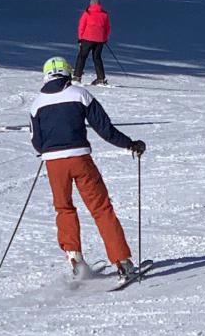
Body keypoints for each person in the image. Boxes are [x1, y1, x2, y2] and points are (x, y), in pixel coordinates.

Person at [30, 57, 145, 282]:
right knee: (101, 208)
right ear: (67, 72)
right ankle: (122, 262)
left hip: (54, 163)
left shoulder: (37, 103)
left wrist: (48, 150)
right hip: (80, 158)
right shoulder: (80, 94)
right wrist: (130, 144)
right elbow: (104, 128)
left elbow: (36, 141)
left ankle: (75, 259)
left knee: (64, 208)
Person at [73, 0, 110, 86]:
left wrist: (80, 38)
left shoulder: (87, 13)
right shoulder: (104, 14)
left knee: (82, 57)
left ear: (91, 3)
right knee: (97, 58)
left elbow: (81, 26)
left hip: (87, 39)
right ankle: (101, 78)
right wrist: (105, 38)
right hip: (100, 40)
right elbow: (107, 28)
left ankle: (77, 76)